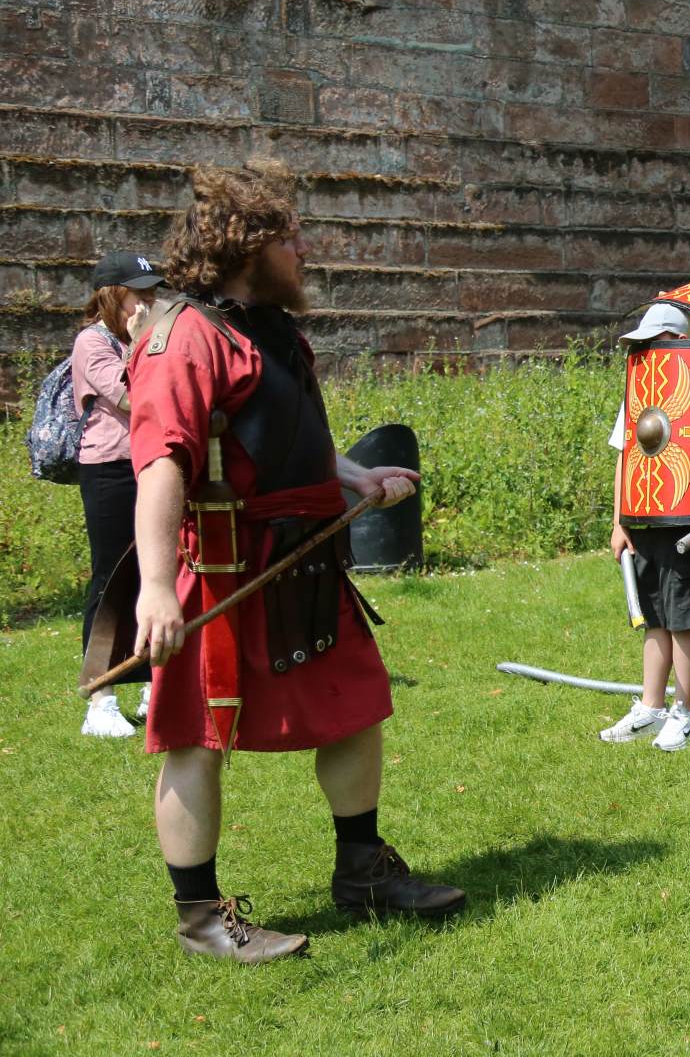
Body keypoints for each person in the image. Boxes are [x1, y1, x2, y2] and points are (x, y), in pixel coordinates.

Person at [126, 159, 461, 962]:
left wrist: (354, 476)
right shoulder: (184, 338)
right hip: (225, 571)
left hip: (302, 566)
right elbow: (162, 464)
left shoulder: (264, 329)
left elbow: (283, 434)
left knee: (354, 707)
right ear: (247, 245)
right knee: (193, 736)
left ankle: (363, 871)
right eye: (291, 237)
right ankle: (202, 918)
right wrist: (156, 588)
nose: (304, 250)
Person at [602, 304, 690, 750]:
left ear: (678, 341)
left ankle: (685, 711)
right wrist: (619, 521)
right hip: (643, 516)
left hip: (682, 519)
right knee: (654, 617)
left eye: (657, 341)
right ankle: (651, 706)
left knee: (682, 618)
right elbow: (626, 455)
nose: (650, 349)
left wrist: (684, 423)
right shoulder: (640, 385)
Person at [74, 251, 165, 738]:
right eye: (138, 293)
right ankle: (101, 699)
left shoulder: (146, 337)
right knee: (110, 579)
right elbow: (135, 397)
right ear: (113, 296)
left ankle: (154, 686)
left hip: (153, 464)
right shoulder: (92, 342)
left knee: (157, 573)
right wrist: (141, 344)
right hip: (110, 470)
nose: (148, 301)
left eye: (152, 291)